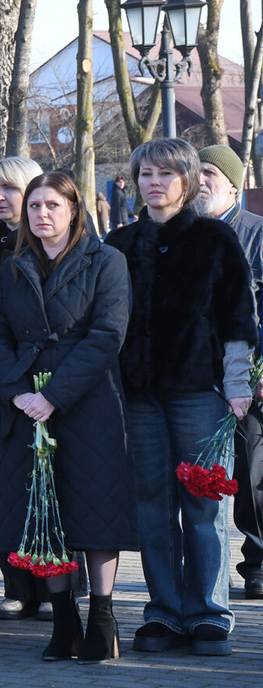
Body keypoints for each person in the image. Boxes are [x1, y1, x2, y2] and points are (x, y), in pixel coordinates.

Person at [105, 138, 256, 656]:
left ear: (188, 181)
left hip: (201, 391)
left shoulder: (214, 239)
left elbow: (240, 318)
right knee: (152, 506)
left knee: (204, 502)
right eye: (146, 173)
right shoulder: (121, 244)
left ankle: (210, 613)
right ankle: (164, 611)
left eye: (166, 174)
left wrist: (237, 386)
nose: (154, 182)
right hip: (140, 394)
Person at [0, 171, 137, 664]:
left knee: (93, 510)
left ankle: (102, 617)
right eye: (34, 206)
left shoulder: (106, 261)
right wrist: (15, 393)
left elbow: (106, 336)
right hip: (25, 404)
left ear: (74, 209)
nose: (42, 214)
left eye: (52, 204)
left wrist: (54, 395)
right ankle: (63, 618)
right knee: (42, 514)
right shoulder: (13, 265)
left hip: (87, 402)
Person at [0, 156, 51, 622]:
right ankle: (16, 584)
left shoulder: (49, 243)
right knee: (5, 482)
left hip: (47, 382)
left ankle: (55, 584)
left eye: (10, 189)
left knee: (47, 480)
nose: (0, 199)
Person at [194, 144, 263, 601]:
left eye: (210, 174)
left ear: (233, 184)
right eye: (195, 172)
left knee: (255, 477)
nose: (200, 181)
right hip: (197, 376)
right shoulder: (187, 233)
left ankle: (257, 563)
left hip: (251, 373)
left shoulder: (257, 233)